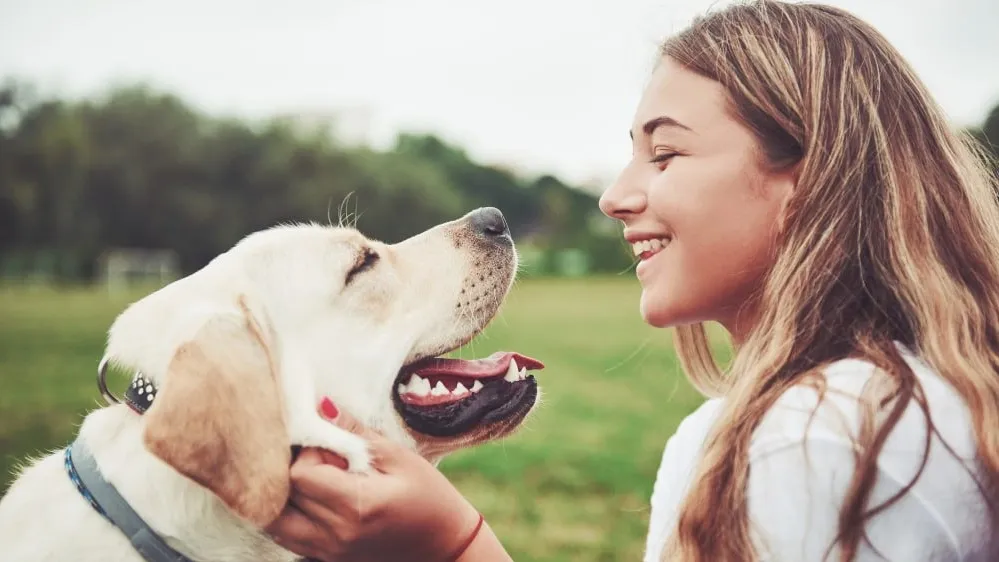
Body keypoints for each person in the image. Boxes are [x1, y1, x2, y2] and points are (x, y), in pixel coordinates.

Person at [265, 1, 999, 560]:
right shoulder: (911, 396)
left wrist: (451, 544)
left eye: (665, 154)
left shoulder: (818, 434)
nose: (614, 196)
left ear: (808, 184)